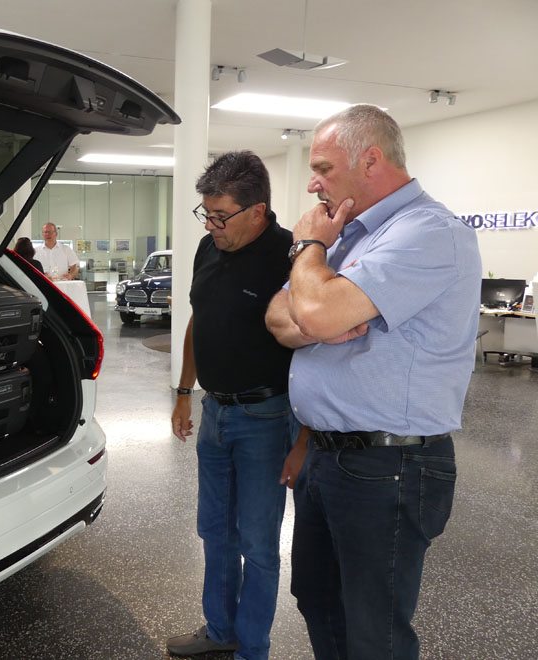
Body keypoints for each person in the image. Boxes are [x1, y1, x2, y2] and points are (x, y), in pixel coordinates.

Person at [266, 104, 481, 659]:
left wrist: (308, 251)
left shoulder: (428, 232)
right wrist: (317, 312)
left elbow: (311, 313)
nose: (312, 184)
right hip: (327, 455)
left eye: (322, 168)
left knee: (373, 632)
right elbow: (279, 317)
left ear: (370, 160)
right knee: (318, 600)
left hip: (389, 465)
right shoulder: (350, 233)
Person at [167, 151, 295, 660]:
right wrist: (184, 393)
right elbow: (199, 321)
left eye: (221, 216)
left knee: (258, 543)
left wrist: (305, 437)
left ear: (257, 211)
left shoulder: (291, 257)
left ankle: (252, 649)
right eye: (207, 213)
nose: (211, 225)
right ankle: (220, 632)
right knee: (215, 531)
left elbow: (317, 350)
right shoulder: (208, 248)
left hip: (267, 418)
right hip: (214, 413)